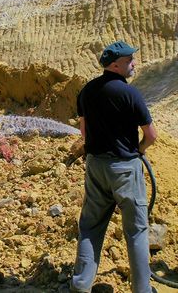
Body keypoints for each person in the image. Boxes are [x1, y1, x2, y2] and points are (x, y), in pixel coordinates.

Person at [70, 41, 157, 293]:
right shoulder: (130, 93)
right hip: (125, 169)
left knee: (90, 226)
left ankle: (81, 286)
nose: (135, 64)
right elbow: (151, 135)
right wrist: (138, 152)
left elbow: (84, 133)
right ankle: (142, 290)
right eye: (131, 60)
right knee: (137, 231)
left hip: (96, 167)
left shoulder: (86, 91)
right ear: (116, 64)